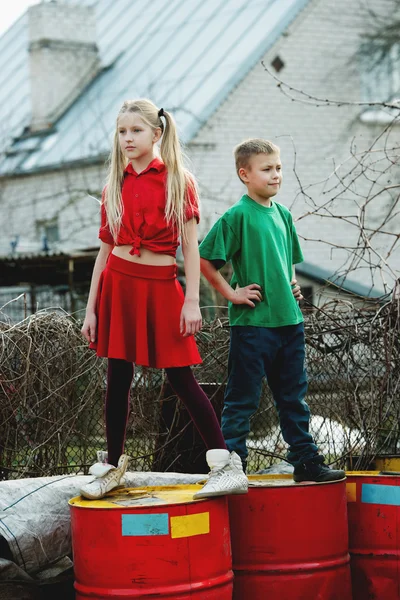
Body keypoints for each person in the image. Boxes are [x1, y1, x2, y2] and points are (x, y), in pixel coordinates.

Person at [79, 99, 248, 500]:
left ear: (157, 134)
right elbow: (104, 251)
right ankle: (112, 466)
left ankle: (225, 464)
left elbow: (191, 249)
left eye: (135, 131)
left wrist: (192, 300)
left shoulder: (178, 180)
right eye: (121, 132)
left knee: (180, 376)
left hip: (160, 285)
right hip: (117, 285)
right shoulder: (113, 184)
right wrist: (90, 308)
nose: (127, 139)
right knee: (116, 377)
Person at [199, 139, 345, 483]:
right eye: (267, 169)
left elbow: (287, 262)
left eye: (278, 168)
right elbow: (206, 261)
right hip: (253, 326)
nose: (275, 175)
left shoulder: (283, 214)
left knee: (294, 400)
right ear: (245, 174)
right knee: (242, 401)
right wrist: (232, 293)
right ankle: (231, 469)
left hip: (289, 323)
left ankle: (306, 462)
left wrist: (292, 284)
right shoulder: (237, 217)